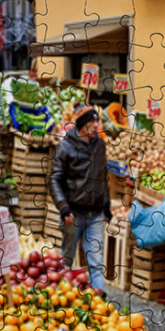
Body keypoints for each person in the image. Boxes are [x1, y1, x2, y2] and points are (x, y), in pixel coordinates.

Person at [49, 106, 110, 292]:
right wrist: (63, 208)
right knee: (66, 260)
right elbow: (54, 180)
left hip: (96, 214)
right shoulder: (65, 147)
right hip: (73, 214)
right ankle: (60, 299)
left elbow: (102, 176)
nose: (96, 125)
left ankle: (99, 301)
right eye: (91, 122)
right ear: (82, 125)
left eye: (97, 121)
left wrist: (106, 207)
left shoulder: (100, 145)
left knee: (96, 263)